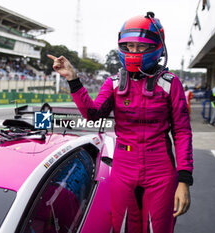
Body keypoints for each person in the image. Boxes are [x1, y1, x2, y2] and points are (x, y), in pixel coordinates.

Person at [48, 12, 193, 233]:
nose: (134, 52)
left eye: (141, 47)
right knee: (122, 226)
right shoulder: (114, 83)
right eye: (129, 46)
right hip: (123, 167)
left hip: (161, 170)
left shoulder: (170, 83)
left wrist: (184, 181)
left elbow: (182, 133)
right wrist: (73, 79)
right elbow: (92, 114)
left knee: (159, 227)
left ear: (157, 46)